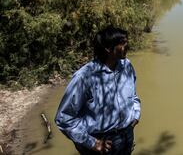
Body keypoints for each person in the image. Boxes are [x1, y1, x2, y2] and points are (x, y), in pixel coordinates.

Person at [55, 26, 141, 154]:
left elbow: (133, 95)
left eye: (126, 42)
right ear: (108, 48)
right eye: (122, 43)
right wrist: (92, 143)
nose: (127, 46)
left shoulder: (127, 66)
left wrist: (135, 115)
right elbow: (64, 119)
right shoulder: (85, 77)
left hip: (126, 134)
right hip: (101, 142)